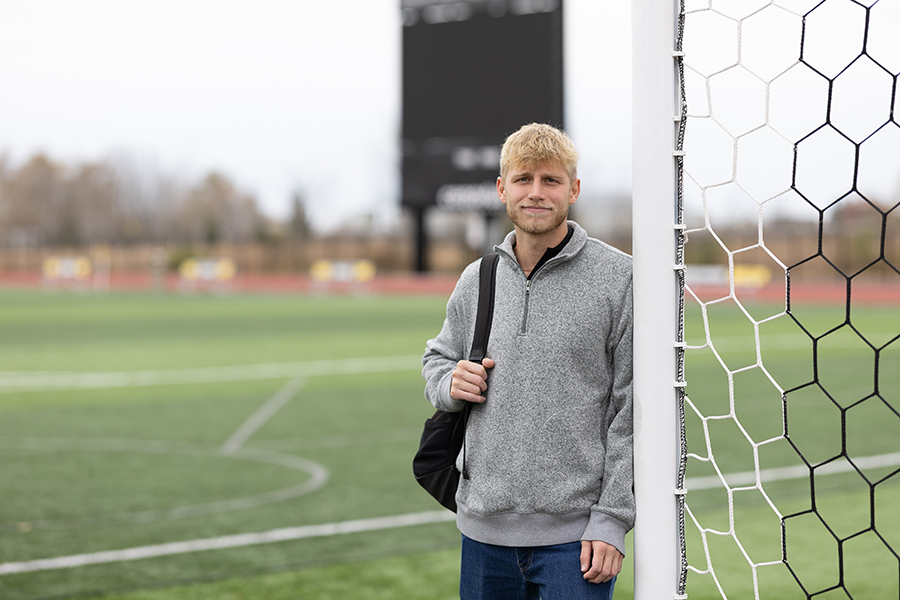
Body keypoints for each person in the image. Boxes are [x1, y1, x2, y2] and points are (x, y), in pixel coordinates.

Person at [422, 123, 634, 600]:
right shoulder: (478, 277)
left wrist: (612, 520)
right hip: (482, 533)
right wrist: (449, 383)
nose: (536, 193)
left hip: (577, 542)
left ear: (573, 189)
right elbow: (437, 358)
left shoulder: (620, 279)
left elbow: (632, 411)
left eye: (551, 180)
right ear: (502, 189)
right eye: (523, 179)